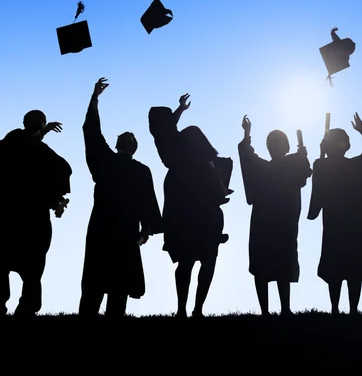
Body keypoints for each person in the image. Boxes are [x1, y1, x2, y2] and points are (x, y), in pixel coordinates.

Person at [79, 78, 162, 318]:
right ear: (134, 149)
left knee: (95, 281)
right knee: (119, 285)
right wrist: (146, 229)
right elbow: (149, 204)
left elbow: (91, 132)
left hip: (101, 228)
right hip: (125, 230)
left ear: (117, 145)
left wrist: (94, 99)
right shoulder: (142, 171)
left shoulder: (105, 161)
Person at [149, 94, 232, 318]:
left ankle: (188, 310)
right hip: (195, 211)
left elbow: (167, 129)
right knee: (197, 261)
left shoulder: (175, 151)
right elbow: (168, 129)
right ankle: (190, 309)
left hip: (189, 211)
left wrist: (180, 110)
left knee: (192, 262)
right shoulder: (182, 151)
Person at [308, 112, 362, 315]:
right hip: (350, 220)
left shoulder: (322, 164)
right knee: (349, 265)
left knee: (343, 265)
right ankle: (347, 309)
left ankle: (342, 309)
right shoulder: (349, 165)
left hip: (341, 220)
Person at [238, 116, 312, 316]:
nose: (273, 146)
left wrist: (302, 158)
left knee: (283, 262)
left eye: (277, 143)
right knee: (262, 263)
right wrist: (247, 133)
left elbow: (305, 173)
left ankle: (285, 308)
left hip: (284, 222)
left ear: (286, 147)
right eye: (270, 143)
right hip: (263, 221)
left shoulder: (292, 165)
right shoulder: (263, 167)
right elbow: (246, 154)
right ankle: (264, 311)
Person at [0, 111, 71, 316]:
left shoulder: (45, 153)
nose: (37, 124)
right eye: (34, 122)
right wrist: (43, 132)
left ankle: (27, 309)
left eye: (40, 122)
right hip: (10, 215)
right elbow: (18, 149)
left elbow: (63, 169)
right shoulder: (13, 139)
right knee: (2, 264)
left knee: (33, 270)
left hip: (34, 218)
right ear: (25, 123)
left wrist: (57, 200)